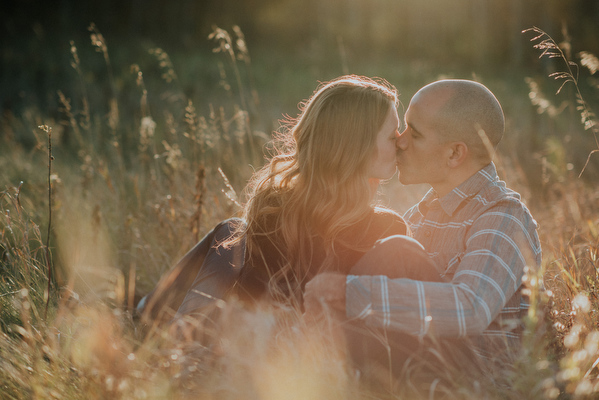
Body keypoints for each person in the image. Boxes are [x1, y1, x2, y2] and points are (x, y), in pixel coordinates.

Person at [137, 75, 441, 333]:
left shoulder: (386, 230)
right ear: (355, 147)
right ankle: (165, 322)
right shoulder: (277, 210)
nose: (402, 142)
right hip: (257, 335)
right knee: (231, 232)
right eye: (392, 135)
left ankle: (156, 316)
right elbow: (255, 298)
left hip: (309, 346)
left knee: (230, 231)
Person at [303, 79, 542, 371]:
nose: (399, 140)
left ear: (455, 153)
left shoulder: (504, 217)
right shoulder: (420, 215)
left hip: (478, 383)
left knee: (397, 253)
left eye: (414, 134)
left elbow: (471, 309)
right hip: (413, 368)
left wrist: (347, 292)